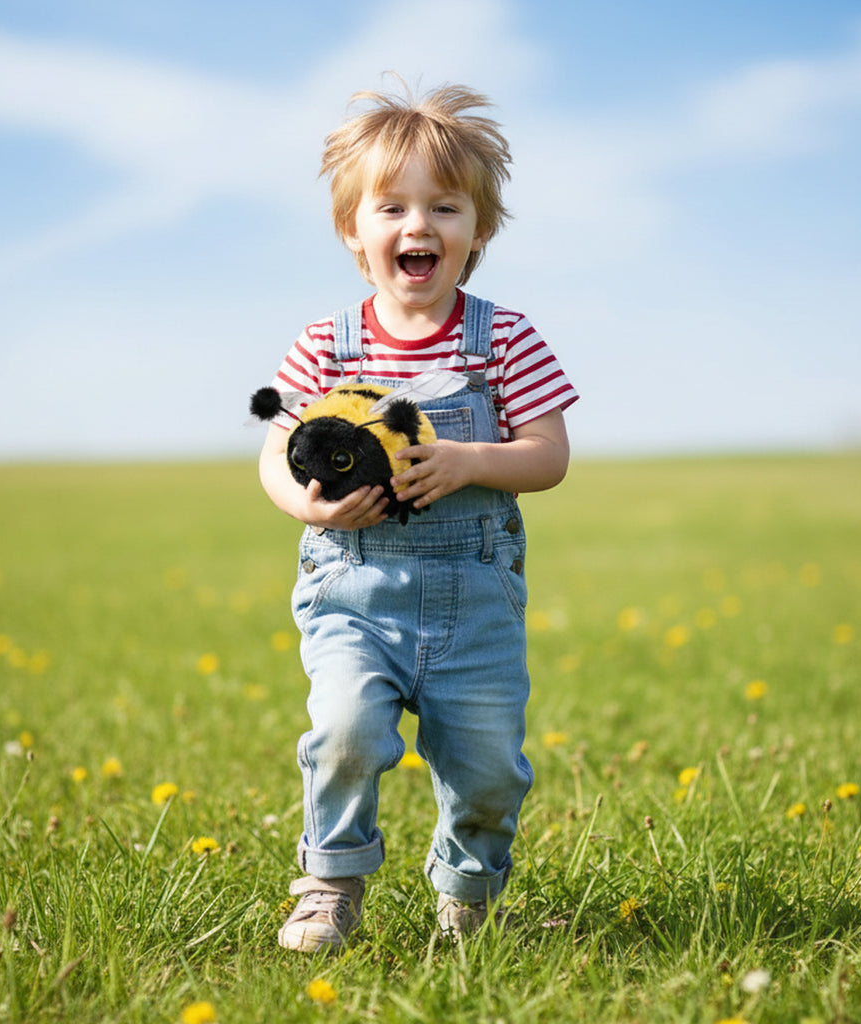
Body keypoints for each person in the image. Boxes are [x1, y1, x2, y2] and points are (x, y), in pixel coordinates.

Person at [257, 80, 578, 952]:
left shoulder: (503, 340)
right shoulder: (328, 345)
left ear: (478, 229)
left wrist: (472, 459)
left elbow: (548, 453)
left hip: (473, 600)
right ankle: (330, 882)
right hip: (353, 590)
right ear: (353, 230)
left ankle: (467, 892)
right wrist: (305, 498)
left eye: (445, 206)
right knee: (344, 731)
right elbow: (272, 453)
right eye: (391, 206)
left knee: (488, 770)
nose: (418, 225)